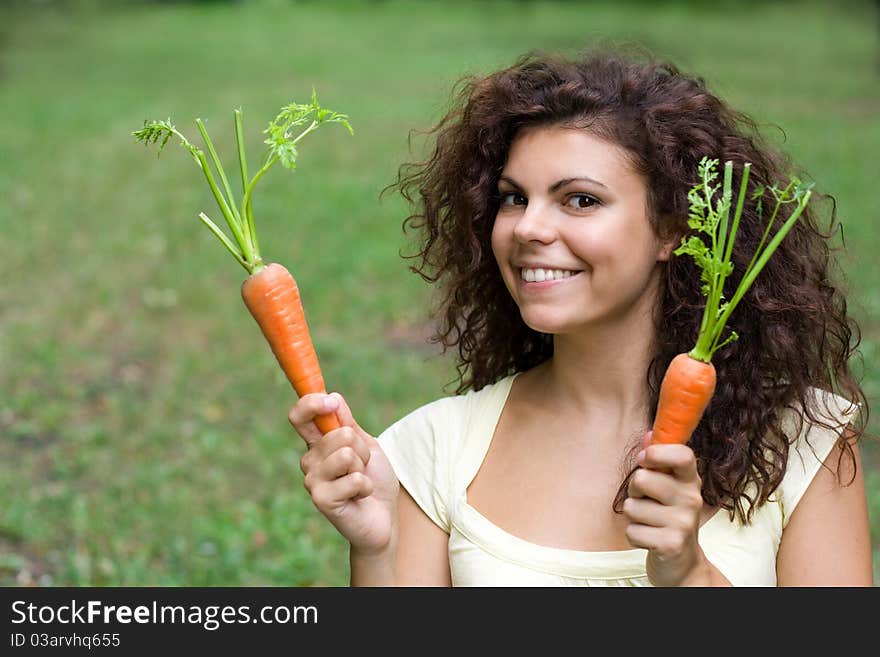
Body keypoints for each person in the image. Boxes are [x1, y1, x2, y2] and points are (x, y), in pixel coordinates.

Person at [289, 48, 874, 586]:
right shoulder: (433, 448)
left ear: (671, 229)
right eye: (514, 197)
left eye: (581, 200)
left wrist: (690, 574)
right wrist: (375, 552)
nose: (528, 228)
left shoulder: (806, 442)